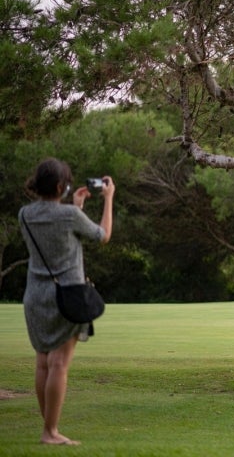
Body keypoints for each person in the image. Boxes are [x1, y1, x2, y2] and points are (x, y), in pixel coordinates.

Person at [18, 158, 115, 446]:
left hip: (35, 297)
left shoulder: (25, 214)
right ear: (61, 186)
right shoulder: (69, 216)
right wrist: (108, 199)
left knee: (43, 363)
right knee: (59, 364)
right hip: (68, 295)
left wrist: (76, 207)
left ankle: (48, 426)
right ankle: (50, 432)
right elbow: (102, 236)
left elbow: (57, 236)